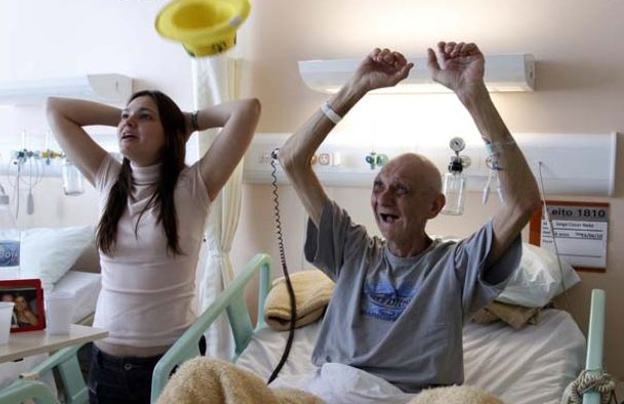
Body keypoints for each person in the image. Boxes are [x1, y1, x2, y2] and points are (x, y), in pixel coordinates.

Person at [275, 41, 541, 396]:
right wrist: (356, 87)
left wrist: (473, 95)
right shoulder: (353, 250)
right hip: (334, 389)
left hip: (414, 398)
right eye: (378, 186)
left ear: (434, 206)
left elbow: (523, 202)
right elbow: (292, 159)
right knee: (213, 378)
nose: (383, 198)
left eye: (400, 190)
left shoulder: (455, 266)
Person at [46, 91, 260, 403]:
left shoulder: (194, 185)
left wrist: (189, 121)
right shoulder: (108, 178)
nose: (128, 122)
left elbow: (248, 108)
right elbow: (56, 108)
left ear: (171, 133)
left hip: (172, 366)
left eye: (145, 116)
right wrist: (128, 119)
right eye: (125, 116)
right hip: (105, 368)